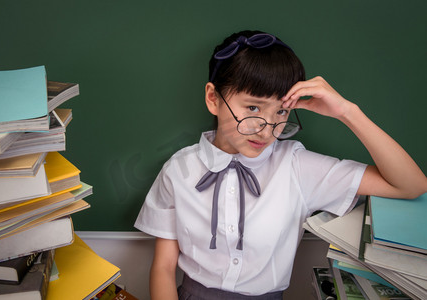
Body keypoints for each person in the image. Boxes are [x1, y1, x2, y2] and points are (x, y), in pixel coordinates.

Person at [134, 30, 427, 299]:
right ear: (213, 98)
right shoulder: (179, 170)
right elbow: (163, 267)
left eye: (282, 112)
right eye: (252, 108)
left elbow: (410, 185)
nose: (267, 129)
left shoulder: (296, 166)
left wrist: (348, 112)